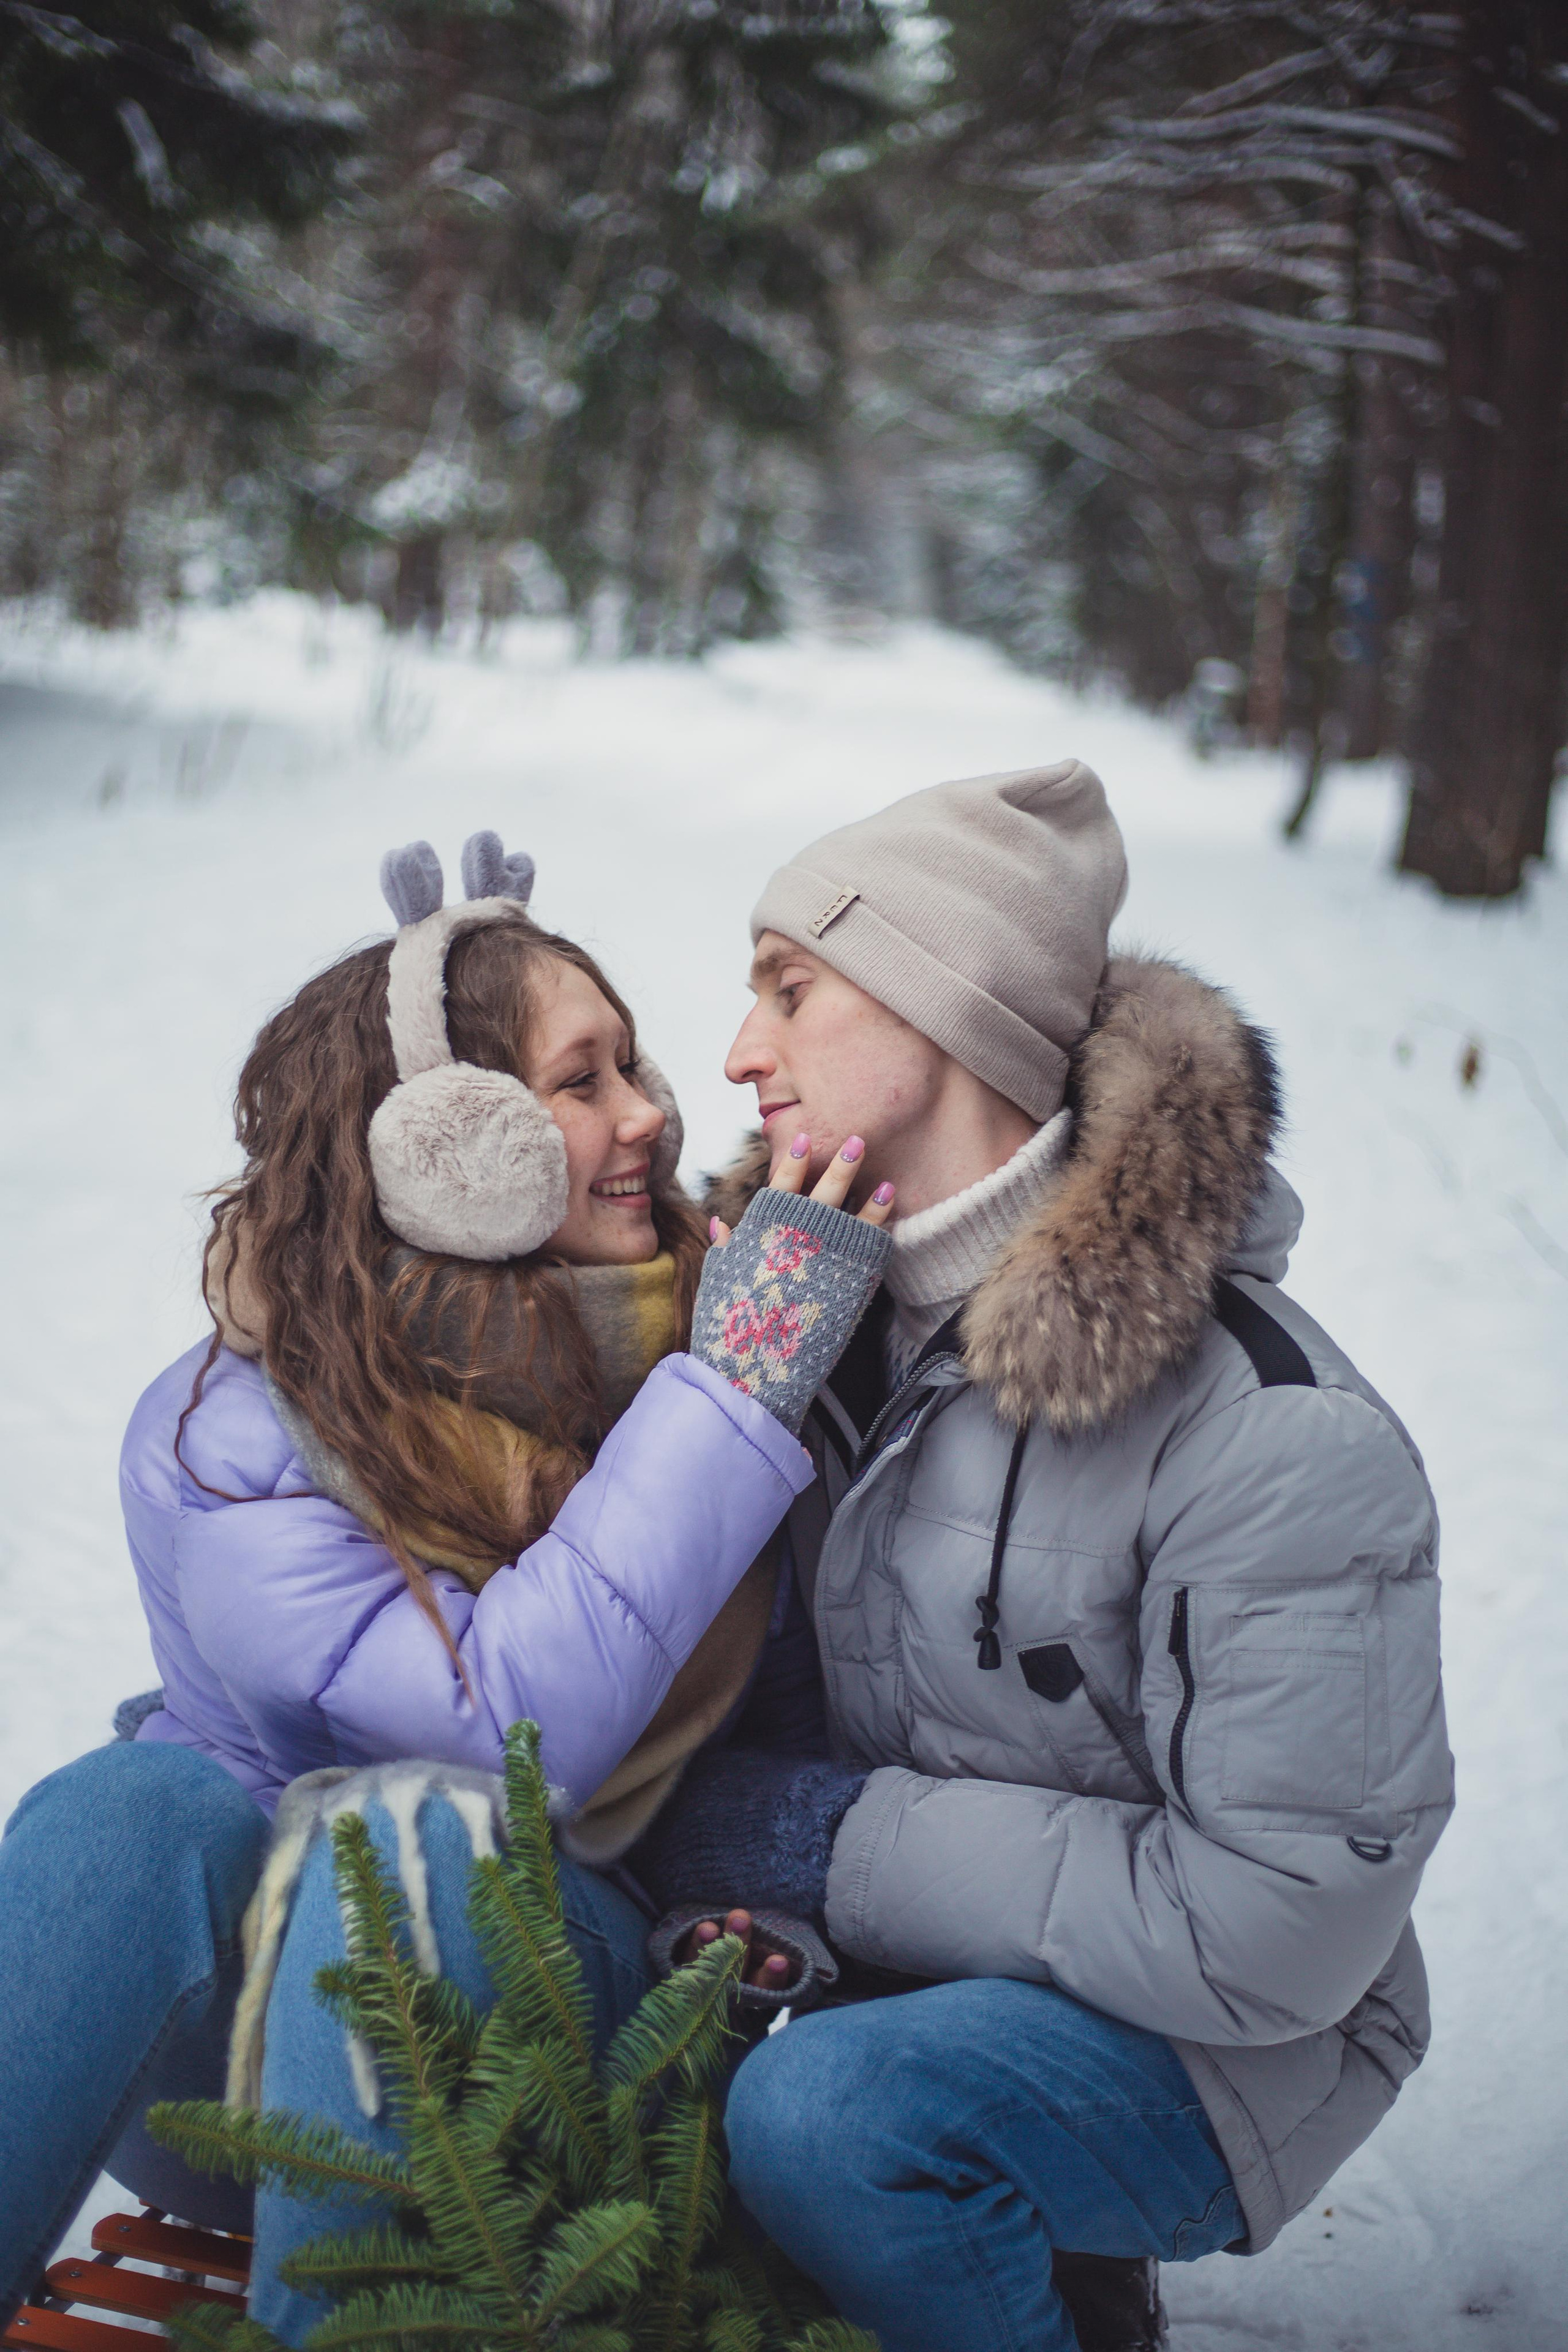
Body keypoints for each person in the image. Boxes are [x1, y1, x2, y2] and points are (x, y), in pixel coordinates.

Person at [0, 831, 893, 2324]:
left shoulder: (716, 1313)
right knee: (129, 1807)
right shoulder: (242, 1430)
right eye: (584, 1079)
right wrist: (732, 1398)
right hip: (257, 2094)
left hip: (570, 2026)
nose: (653, 1118)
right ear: (443, 1139)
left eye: (636, 1067)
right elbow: (493, 1727)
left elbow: (789, 1720)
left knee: (413, 1845)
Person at [631, 760, 1455, 2352]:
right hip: (894, 1956)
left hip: (1222, 2048)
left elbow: (1278, 1931)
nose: (736, 1057)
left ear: (942, 1008)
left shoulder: (1272, 1434)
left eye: (791, 994)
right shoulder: (785, 1312)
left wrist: (828, 1841)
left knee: (834, 2116)